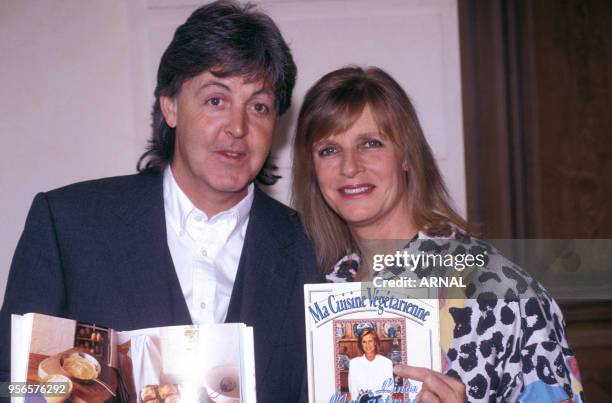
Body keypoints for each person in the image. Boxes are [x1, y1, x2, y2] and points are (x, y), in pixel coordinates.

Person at [0, 2, 318, 401]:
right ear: (170, 106)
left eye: (259, 106)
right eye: (216, 100)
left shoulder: (311, 247)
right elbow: (7, 384)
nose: (238, 127)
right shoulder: (68, 226)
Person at [293, 66, 585, 402]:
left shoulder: (498, 288)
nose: (349, 166)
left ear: (406, 155)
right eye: (328, 150)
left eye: (370, 143)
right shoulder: (323, 285)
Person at [348, 329, 393, 401]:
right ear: (361, 344)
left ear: (375, 342)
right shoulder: (354, 364)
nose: (367, 345)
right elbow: (353, 390)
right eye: (364, 342)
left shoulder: (386, 363)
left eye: (370, 341)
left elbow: (388, 389)